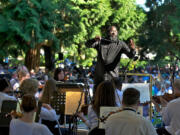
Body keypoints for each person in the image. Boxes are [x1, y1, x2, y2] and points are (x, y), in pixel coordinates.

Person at [85, 26, 136, 92]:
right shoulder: (100, 41)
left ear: (117, 33)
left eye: (115, 31)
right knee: (97, 97)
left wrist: (133, 49)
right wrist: (94, 40)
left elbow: (131, 55)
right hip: (100, 75)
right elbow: (87, 44)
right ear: (108, 32)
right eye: (111, 31)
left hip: (113, 76)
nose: (113, 33)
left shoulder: (121, 44)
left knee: (112, 97)